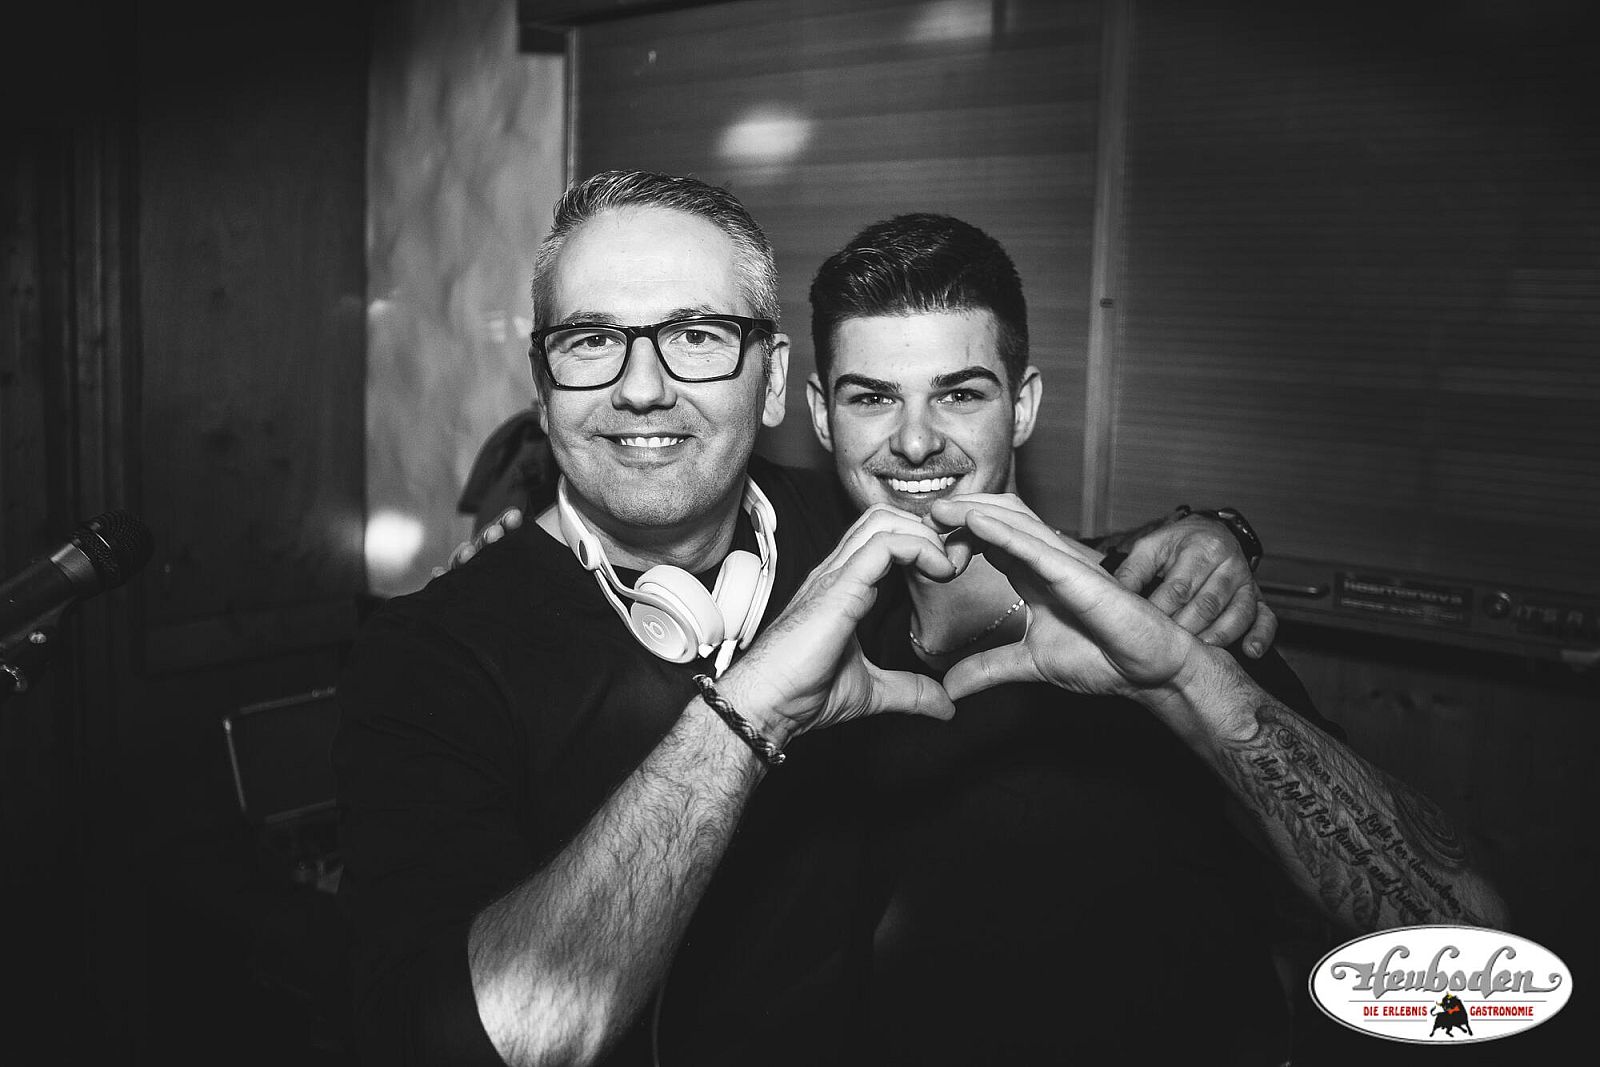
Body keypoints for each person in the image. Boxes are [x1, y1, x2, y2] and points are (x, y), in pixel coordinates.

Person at [336, 171, 1277, 1067]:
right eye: (590, 340)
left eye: (696, 335)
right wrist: (745, 713)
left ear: (778, 381)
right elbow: (494, 1039)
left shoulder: (856, 521)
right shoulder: (431, 657)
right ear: (543, 384)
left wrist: (1207, 537)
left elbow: (997, 513)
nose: (641, 387)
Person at [802, 213, 1508, 1062]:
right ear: (821, 416)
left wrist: (1178, 679)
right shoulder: (818, 629)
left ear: (1022, 406)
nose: (916, 440)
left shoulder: (1153, 612)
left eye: (961, 393)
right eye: (873, 396)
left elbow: (1468, 947)